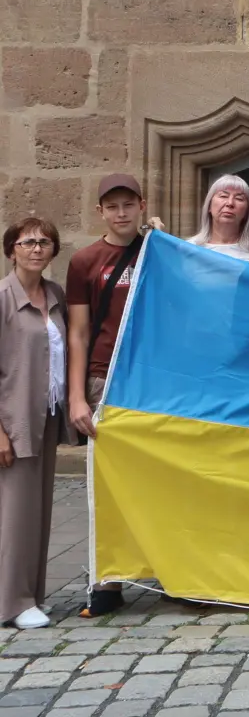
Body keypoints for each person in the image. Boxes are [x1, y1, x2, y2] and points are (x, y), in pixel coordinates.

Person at [67, 173, 162, 618]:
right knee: (104, 483)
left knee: (156, 478)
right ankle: (106, 580)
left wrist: (163, 239)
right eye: (113, 206)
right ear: (100, 211)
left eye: (129, 204)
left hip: (151, 378)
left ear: (141, 205)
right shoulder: (85, 260)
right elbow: (79, 332)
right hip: (104, 378)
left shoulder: (158, 249)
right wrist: (76, 396)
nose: (121, 213)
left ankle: (165, 570)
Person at [0, 218, 66, 630]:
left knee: (38, 511)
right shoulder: (2, 298)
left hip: (47, 416)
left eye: (44, 242)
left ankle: (32, 595)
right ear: (12, 250)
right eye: (28, 242)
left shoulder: (55, 294)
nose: (37, 248)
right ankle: (13, 602)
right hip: (14, 417)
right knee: (16, 513)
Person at [186, 174, 249, 260]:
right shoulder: (188, 248)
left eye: (239, 198)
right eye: (223, 196)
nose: (230, 203)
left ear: (247, 211)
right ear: (209, 206)